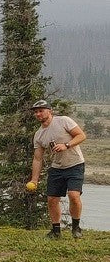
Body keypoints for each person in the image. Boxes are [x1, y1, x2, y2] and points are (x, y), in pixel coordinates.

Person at [29, 99, 86, 239]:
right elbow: (37, 159)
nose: (38, 114)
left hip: (75, 164)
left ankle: (76, 227)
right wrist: (34, 180)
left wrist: (66, 145)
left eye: (41, 111)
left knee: (74, 195)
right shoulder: (39, 135)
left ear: (50, 111)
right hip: (57, 168)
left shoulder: (64, 121)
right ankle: (56, 231)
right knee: (52, 199)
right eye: (36, 112)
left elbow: (81, 135)